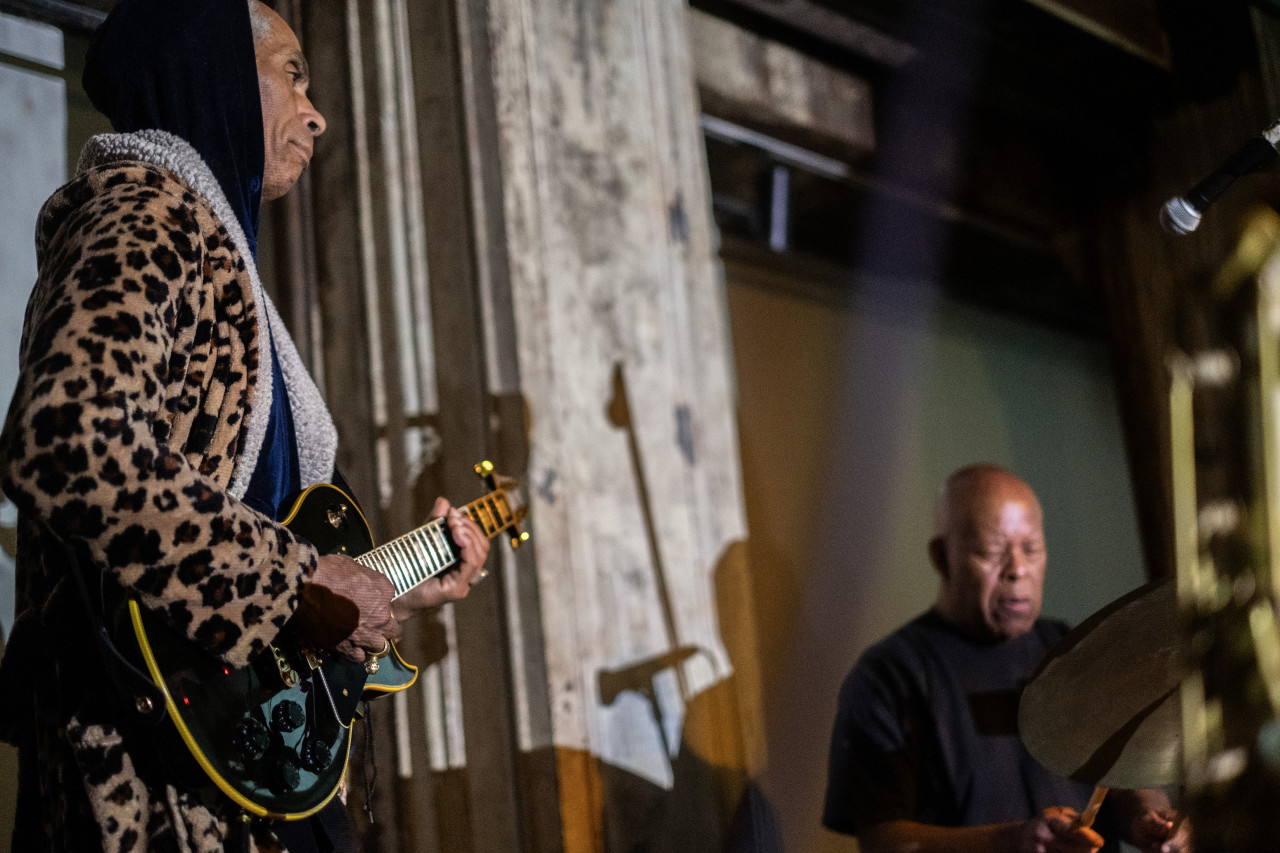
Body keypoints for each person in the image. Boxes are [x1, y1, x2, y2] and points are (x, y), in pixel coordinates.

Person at [0, 1, 489, 850]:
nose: (316, 111)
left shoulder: (213, 251)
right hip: (153, 790)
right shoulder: (148, 212)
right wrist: (294, 585)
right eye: (291, 73)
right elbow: (67, 437)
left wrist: (380, 589)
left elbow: (242, 543)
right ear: (216, 76)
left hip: (225, 778)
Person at [822, 464, 1191, 853]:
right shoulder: (889, 675)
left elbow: (1123, 772)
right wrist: (1013, 841)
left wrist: (1147, 816)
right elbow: (883, 841)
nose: (1017, 570)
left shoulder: (1074, 653)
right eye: (991, 552)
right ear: (941, 556)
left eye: (1031, 549)